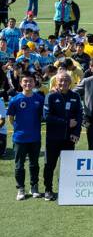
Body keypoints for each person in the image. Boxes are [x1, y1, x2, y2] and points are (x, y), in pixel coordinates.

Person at [43, 73, 82, 200]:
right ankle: (48, 190)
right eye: (61, 80)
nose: (63, 83)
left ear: (70, 82)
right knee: (50, 165)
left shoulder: (75, 96)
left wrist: (76, 133)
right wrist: (66, 122)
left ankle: (65, 189)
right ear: (56, 82)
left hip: (69, 139)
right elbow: (47, 117)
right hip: (53, 138)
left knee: (68, 166)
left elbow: (79, 116)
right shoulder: (51, 96)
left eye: (66, 80)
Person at [8, 72, 43, 200]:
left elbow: (42, 115)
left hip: (35, 138)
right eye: (25, 81)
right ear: (21, 83)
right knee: (19, 165)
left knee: (34, 164)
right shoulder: (15, 100)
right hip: (20, 138)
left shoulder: (39, 99)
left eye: (30, 81)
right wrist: (19, 128)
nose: (28, 84)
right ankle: (20, 189)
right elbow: (11, 118)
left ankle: (34, 187)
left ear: (34, 83)